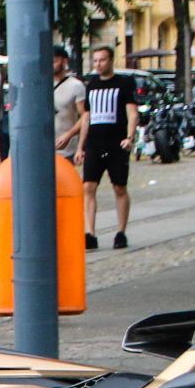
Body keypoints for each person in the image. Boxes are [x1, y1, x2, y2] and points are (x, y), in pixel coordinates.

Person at [78, 46, 139, 250]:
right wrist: (81, 146)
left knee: (119, 187)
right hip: (95, 143)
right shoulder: (92, 85)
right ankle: (90, 232)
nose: (98, 64)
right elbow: (86, 117)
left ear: (111, 60)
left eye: (102, 60)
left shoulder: (123, 84)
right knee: (88, 186)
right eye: (95, 60)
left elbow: (132, 113)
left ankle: (121, 231)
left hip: (116, 143)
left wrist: (129, 137)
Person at [52, 45, 85, 175]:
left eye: (54, 61)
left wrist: (70, 134)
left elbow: (84, 116)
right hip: (45, 147)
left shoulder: (75, 86)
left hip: (66, 148)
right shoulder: (42, 85)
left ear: (64, 61)